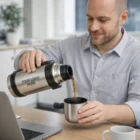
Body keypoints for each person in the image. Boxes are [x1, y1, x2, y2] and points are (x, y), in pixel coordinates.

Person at [14, 0, 140, 127]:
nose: (93, 27)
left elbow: (138, 106)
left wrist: (106, 112)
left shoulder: (136, 53)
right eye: (89, 18)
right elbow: (28, 58)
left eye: (102, 20)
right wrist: (26, 56)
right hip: (74, 130)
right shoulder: (70, 45)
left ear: (123, 17)